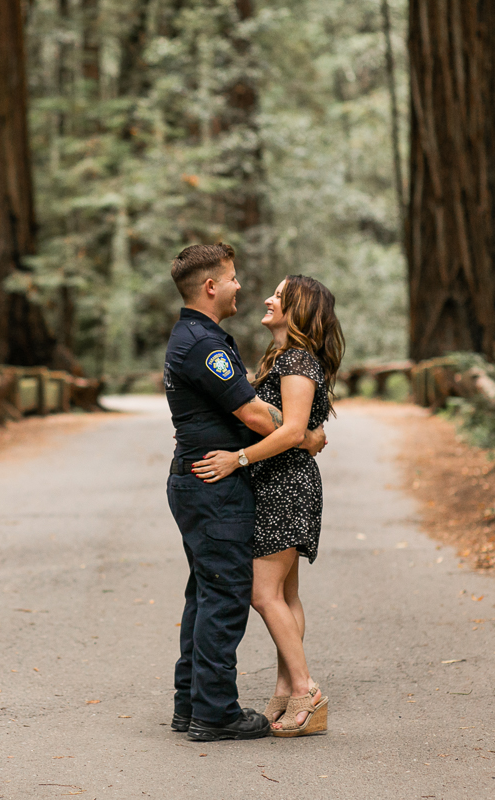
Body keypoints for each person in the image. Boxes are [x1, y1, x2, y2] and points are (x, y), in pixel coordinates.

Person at [163, 244, 326, 743]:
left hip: (208, 479)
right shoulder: (203, 344)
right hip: (213, 482)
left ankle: (192, 704)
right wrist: (303, 432)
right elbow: (256, 416)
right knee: (227, 595)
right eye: (233, 278)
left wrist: (296, 430)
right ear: (211, 286)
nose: (241, 286)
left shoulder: (202, 338)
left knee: (207, 592)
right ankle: (214, 713)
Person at [191, 274, 344, 738]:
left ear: (299, 310)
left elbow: (294, 430)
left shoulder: (296, 359)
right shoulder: (284, 357)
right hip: (280, 481)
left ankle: (305, 689)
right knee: (285, 595)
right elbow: (297, 431)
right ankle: (284, 689)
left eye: (279, 296)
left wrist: (237, 459)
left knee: (262, 594)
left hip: (285, 486)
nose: (267, 299)